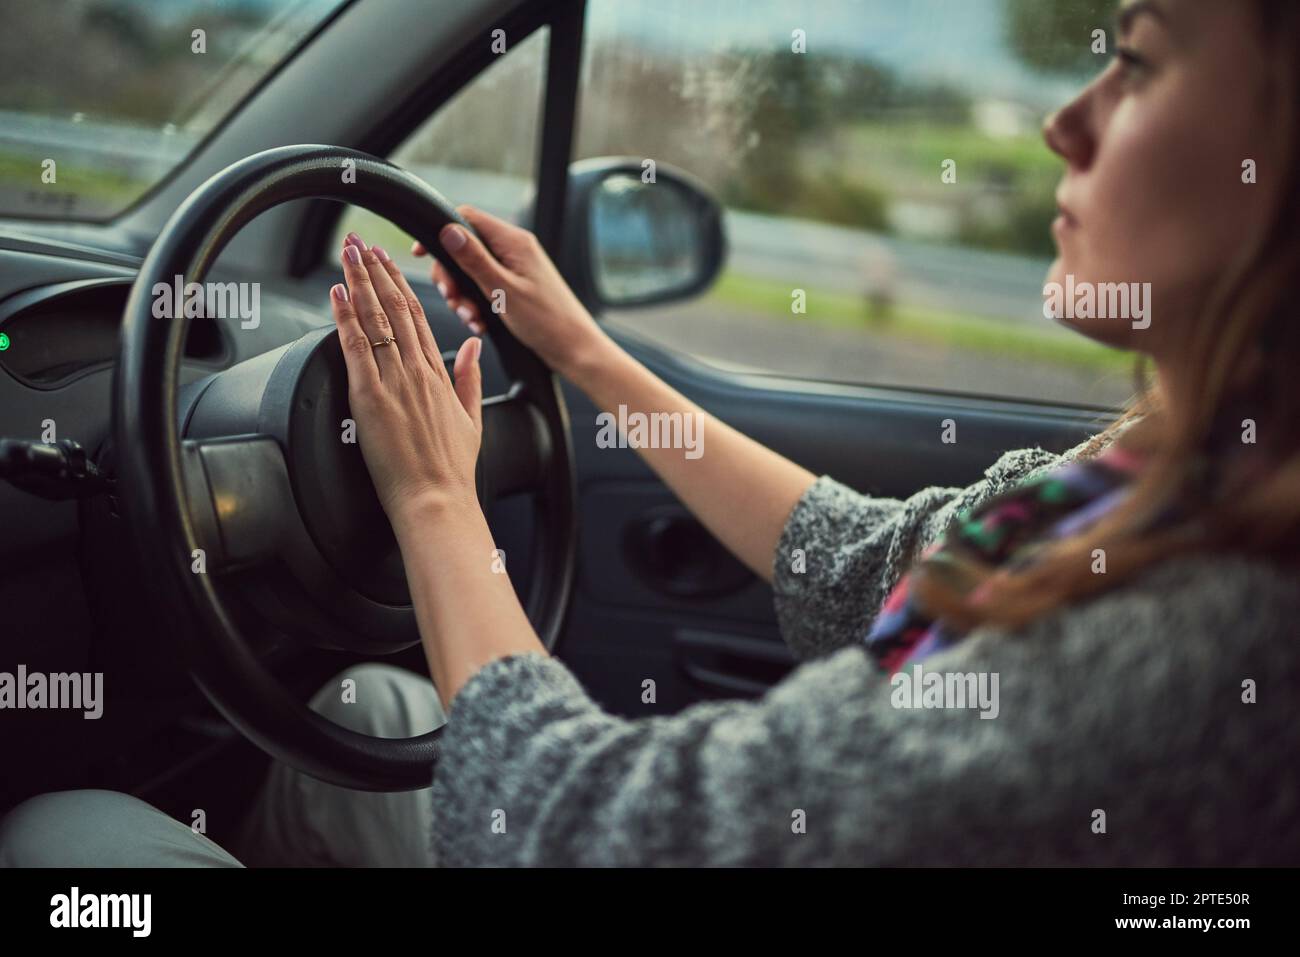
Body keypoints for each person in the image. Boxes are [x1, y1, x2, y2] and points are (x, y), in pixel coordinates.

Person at [3, 0, 1298, 867]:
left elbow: (581, 824)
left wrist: (436, 500)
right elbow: (853, 560)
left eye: (1134, 59)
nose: (1061, 120)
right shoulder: (1138, 482)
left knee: (71, 844)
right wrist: (584, 353)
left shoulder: (1200, 636)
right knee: (369, 707)